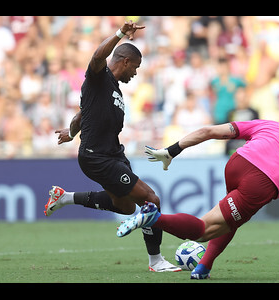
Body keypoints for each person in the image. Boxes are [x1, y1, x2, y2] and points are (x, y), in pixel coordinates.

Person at [44, 20, 181, 272]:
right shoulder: (99, 77)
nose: (136, 73)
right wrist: (119, 34)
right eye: (136, 67)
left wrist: (71, 132)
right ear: (125, 61)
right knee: (151, 199)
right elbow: (97, 56)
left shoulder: (112, 89)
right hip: (98, 157)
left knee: (125, 206)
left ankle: (64, 198)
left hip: (113, 155)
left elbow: (80, 116)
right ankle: (156, 261)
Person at [117, 105, 279, 279]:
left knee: (230, 221)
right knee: (204, 231)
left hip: (238, 162)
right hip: (260, 182)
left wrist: (172, 150)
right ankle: (154, 218)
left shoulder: (269, 125)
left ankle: (203, 267)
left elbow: (208, 131)